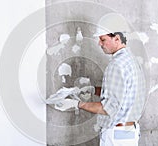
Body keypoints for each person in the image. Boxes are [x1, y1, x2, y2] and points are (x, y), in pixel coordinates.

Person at [55, 13, 146, 146]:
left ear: (117, 38)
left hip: (116, 135)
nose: (99, 43)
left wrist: (76, 104)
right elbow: (123, 94)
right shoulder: (131, 60)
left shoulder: (116, 65)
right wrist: (93, 90)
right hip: (128, 132)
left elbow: (108, 109)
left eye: (103, 40)